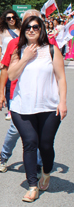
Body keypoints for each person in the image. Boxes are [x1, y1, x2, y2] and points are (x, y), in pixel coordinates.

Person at [7, 15, 67, 202]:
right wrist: (25, 58)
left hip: (49, 107)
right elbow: (11, 75)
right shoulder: (19, 50)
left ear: (41, 30)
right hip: (22, 107)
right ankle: (32, 185)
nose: (31, 30)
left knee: (46, 145)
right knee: (30, 142)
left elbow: (61, 78)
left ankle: (46, 173)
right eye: (27, 27)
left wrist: (63, 102)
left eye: (35, 27)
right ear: (23, 31)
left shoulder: (52, 50)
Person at [0, 10, 43, 175]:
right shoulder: (14, 43)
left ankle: (37, 163)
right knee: (16, 129)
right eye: (28, 23)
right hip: (18, 94)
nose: (32, 27)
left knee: (39, 131)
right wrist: (1, 93)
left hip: (41, 96)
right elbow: (5, 70)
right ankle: (3, 156)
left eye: (36, 24)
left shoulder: (48, 44)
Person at [0, 9, 22, 120]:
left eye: (13, 17)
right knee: (7, 86)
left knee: (18, 85)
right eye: (8, 18)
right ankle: (10, 109)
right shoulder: (2, 32)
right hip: (6, 61)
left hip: (19, 61)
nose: (11, 20)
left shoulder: (22, 30)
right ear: (5, 20)